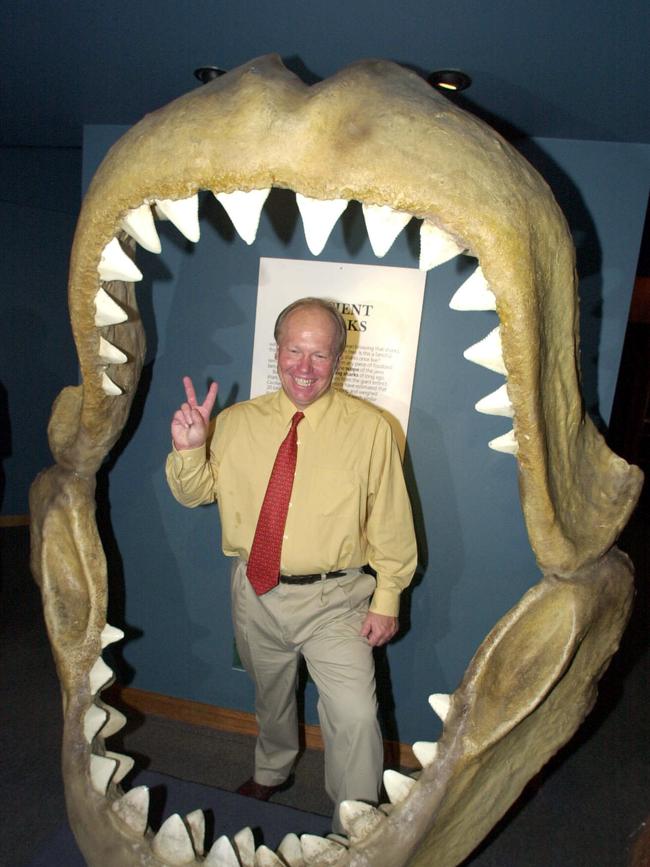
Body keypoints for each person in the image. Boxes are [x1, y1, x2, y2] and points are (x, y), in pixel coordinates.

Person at [165, 297, 417, 832]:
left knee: (355, 715)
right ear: (276, 351)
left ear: (339, 359)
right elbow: (196, 495)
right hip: (254, 594)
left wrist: (388, 596)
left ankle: (355, 825)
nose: (305, 367)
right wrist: (190, 450)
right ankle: (272, 771)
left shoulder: (373, 429)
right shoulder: (235, 423)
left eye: (320, 355)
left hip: (337, 601)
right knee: (270, 697)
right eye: (295, 351)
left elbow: (393, 522)